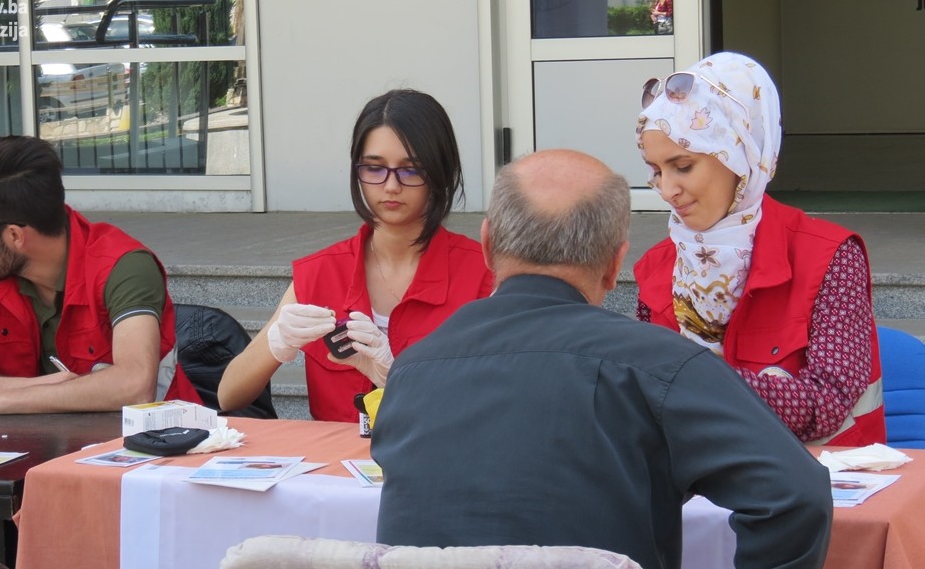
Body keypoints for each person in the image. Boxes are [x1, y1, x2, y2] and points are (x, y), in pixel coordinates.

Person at [372, 149, 832, 569]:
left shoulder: (411, 371)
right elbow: (796, 495)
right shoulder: (661, 366)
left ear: (487, 245)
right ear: (615, 265)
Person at [634, 51, 885, 446]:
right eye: (655, 170)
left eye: (683, 166)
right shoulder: (657, 266)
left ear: (742, 153)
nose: (667, 190)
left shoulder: (829, 256)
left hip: (818, 478)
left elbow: (828, 404)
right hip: (695, 478)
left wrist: (696, 380)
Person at [218, 89, 494, 422]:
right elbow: (228, 395)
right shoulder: (321, 272)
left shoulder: (483, 276)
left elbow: (497, 405)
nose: (391, 186)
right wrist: (277, 343)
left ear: (441, 172)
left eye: (411, 170)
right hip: (336, 456)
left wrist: (394, 375)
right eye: (374, 168)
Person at [0, 136, 202, 414]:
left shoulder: (123, 267)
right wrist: (25, 388)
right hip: (27, 443)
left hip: (153, 444)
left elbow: (134, 385)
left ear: (14, 235)